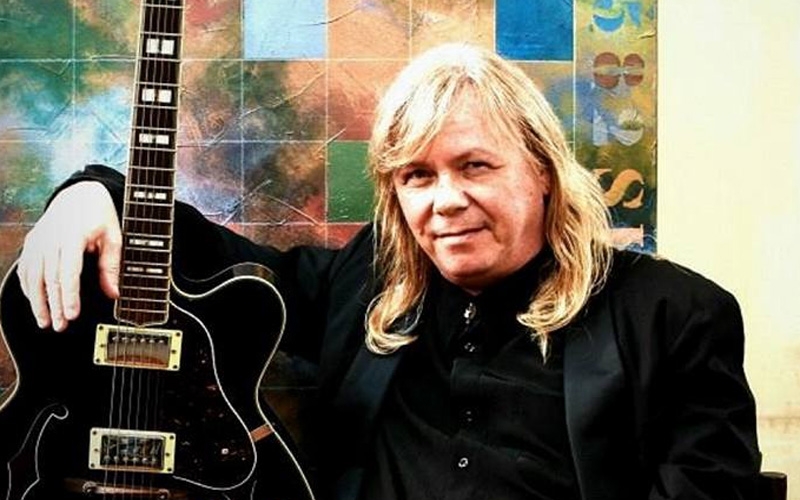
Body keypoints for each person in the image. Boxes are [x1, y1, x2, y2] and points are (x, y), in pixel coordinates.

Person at [12, 43, 760, 500]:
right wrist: (93, 191)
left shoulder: (674, 316)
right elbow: (220, 263)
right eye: (417, 176)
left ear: (542, 171)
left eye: (475, 165)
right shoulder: (365, 283)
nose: (445, 201)